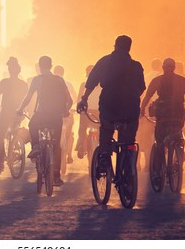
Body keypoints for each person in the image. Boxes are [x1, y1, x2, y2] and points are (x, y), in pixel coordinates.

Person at [77, 35, 145, 176]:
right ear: (129, 48)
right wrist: (131, 96)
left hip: (109, 104)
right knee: (128, 141)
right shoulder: (136, 65)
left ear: (115, 46)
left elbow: (91, 81)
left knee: (106, 130)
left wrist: (84, 98)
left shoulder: (105, 61)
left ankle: (104, 158)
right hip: (131, 108)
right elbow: (142, 87)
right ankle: (128, 171)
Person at [17, 56, 73, 186]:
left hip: (41, 114)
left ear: (40, 67)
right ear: (51, 65)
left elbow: (28, 97)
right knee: (56, 146)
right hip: (56, 116)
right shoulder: (59, 80)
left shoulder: (37, 80)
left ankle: (36, 146)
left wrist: (20, 109)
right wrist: (65, 111)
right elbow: (69, 100)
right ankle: (56, 176)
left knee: (31, 124)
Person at [140, 58, 185, 169]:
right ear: (174, 68)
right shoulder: (182, 81)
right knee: (178, 132)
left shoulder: (157, 80)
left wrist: (142, 109)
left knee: (159, 140)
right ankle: (179, 153)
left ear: (163, 68)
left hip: (162, 114)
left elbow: (147, 96)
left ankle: (158, 168)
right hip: (178, 113)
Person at [0, 57, 28, 172]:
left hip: (6, 113)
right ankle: (16, 143)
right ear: (19, 71)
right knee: (15, 128)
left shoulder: (4, 82)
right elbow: (28, 99)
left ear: (9, 70)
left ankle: (1, 162)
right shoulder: (24, 84)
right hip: (19, 113)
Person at [76, 65, 101, 159]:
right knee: (101, 129)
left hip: (86, 111)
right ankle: (101, 147)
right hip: (99, 111)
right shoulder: (103, 84)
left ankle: (81, 144)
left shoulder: (84, 84)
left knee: (82, 129)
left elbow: (79, 99)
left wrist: (77, 109)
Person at [54, 65, 77, 164]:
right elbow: (75, 98)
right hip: (67, 113)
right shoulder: (68, 84)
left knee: (54, 133)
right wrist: (71, 109)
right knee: (70, 134)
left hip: (55, 113)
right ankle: (69, 155)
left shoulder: (51, 84)